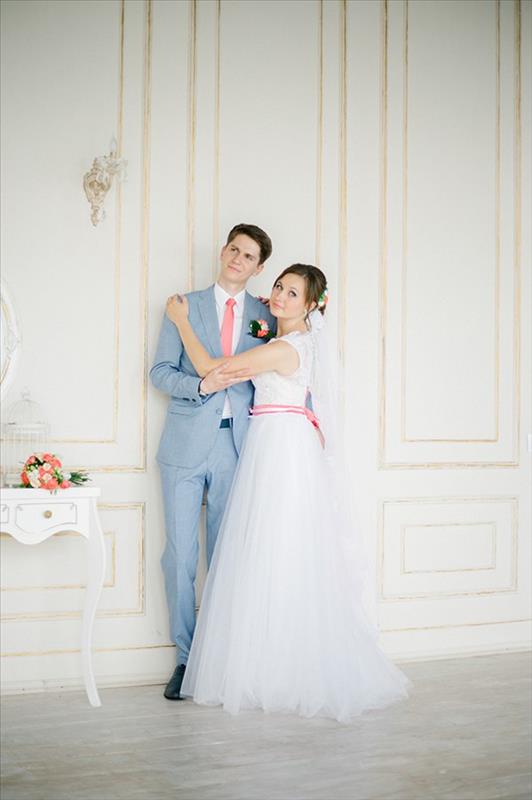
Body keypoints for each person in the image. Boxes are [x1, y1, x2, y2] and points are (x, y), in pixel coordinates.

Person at [165, 264, 412, 723]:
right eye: (279, 286)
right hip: (275, 438)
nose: (279, 296)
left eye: (292, 293)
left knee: (275, 549)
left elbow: (211, 370)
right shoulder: (294, 342)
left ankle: (277, 668)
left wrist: (181, 321)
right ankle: (270, 660)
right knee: (273, 549)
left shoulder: (285, 348)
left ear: (311, 305)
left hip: (279, 447)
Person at [149, 223, 275, 700]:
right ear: (223, 252)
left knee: (226, 555)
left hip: (238, 448)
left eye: (249, 256)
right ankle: (185, 659)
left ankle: (221, 658)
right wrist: (199, 386)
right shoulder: (184, 306)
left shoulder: (266, 316)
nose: (238, 259)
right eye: (234, 249)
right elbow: (160, 372)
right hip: (184, 445)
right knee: (181, 556)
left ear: (258, 268)